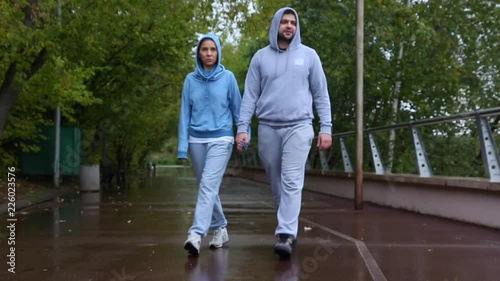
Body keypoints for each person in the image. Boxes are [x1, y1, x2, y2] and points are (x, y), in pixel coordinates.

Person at [235, 7, 332, 259]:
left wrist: (326, 128)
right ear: (276, 25)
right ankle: (287, 226)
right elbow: (250, 96)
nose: (289, 26)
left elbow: (321, 93)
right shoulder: (260, 58)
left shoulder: (309, 56)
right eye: (285, 22)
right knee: (277, 183)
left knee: (291, 180)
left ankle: (286, 234)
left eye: (293, 23)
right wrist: (242, 128)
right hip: (267, 127)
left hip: (299, 126)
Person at [178, 34, 243, 255]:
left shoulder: (228, 78)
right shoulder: (190, 80)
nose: (208, 54)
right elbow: (184, 114)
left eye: (212, 49)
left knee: (207, 185)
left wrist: (244, 133)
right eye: (204, 49)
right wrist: (181, 146)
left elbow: (238, 109)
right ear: (198, 53)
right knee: (208, 187)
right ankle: (220, 227)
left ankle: (196, 234)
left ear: (218, 52)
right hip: (196, 139)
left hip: (222, 138)